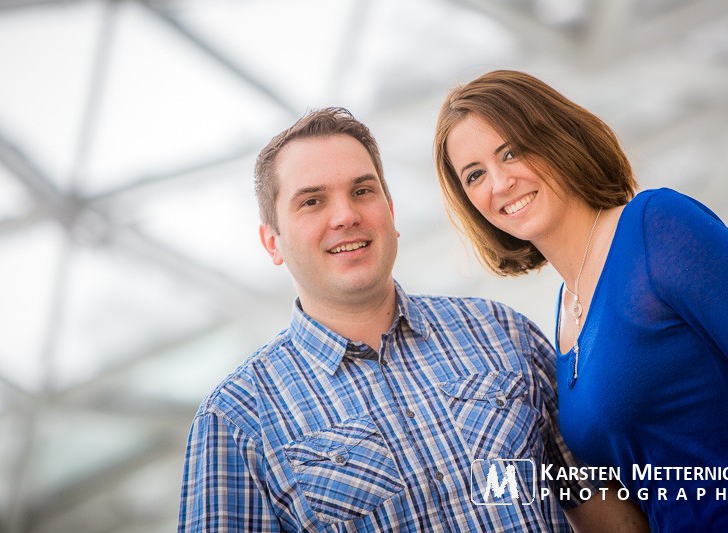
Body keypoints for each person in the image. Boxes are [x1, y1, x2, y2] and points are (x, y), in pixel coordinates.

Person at [178, 107, 648, 531]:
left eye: (362, 191)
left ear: (390, 212)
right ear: (272, 242)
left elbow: (597, 499)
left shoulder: (502, 332)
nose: (346, 215)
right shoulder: (237, 421)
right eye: (312, 201)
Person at [434, 69, 728, 531]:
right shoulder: (564, 314)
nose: (499, 183)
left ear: (556, 138)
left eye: (512, 151)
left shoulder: (658, 227)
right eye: (475, 174)